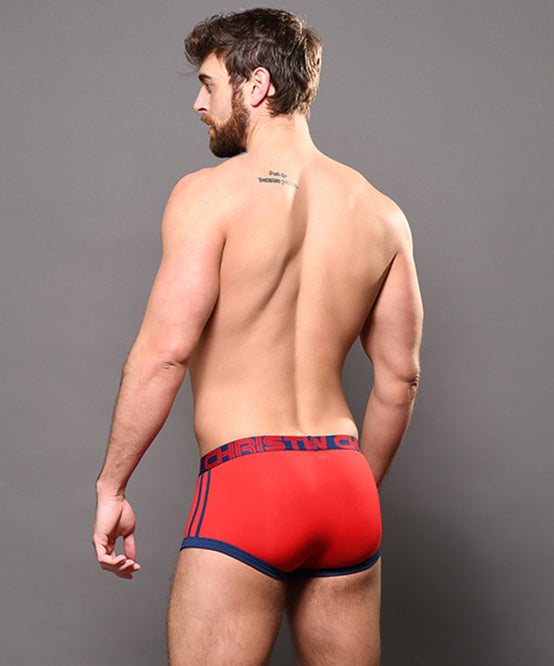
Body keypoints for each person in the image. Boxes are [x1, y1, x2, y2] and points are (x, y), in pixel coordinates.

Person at [93, 8, 423, 665]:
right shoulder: (382, 214)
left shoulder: (208, 196)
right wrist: (352, 489)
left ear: (257, 85)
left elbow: (165, 354)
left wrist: (112, 487)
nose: (199, 104)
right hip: (345, 481)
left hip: (249, 479)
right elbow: (400, 378)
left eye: (209, 85)